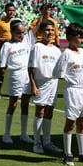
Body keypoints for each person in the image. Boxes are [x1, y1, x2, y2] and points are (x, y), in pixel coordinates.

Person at [53, 23, 83, 166]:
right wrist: (70, 79)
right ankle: (68, 154)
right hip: (73, 91)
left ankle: (82, 153)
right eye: (79, 38)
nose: (82, 41)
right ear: (70, 38)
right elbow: (58, 73)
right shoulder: (66, 54)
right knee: (70, 122)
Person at [0, 18, 37, 144]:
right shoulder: (7, 45)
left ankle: (24, 134)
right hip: (15, 76)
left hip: (27, 75)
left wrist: (43, 14)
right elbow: (2, 66)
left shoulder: (26, 41)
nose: (21, 35)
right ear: (12, 32)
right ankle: (6, 133)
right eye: (18, 33)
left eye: (23, 33)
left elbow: (36, 28)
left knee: (25, 103)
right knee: (13, 103)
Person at [28, 19, 62, 154]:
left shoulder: (56, 50)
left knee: (49, 112)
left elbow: (60, 70)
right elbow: (30, 69)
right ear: (41, 32)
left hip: (53, 83)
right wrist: (33, 86)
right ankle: (37, 143)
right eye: (47, 30)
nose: (50, 32)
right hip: (41, 83)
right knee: (40, 112)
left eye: (52, 30)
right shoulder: (36, 47)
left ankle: (47, 142)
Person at [0, 3, 15, 99]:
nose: (11, 12)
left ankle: (15, 92)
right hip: (4, 47)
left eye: (13, 10)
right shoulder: (0, 22)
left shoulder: (17, 22)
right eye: (9, 10)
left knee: (16, 69)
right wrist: (3, 40)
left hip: (16, 47)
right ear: (5, 11)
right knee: (2, 70)